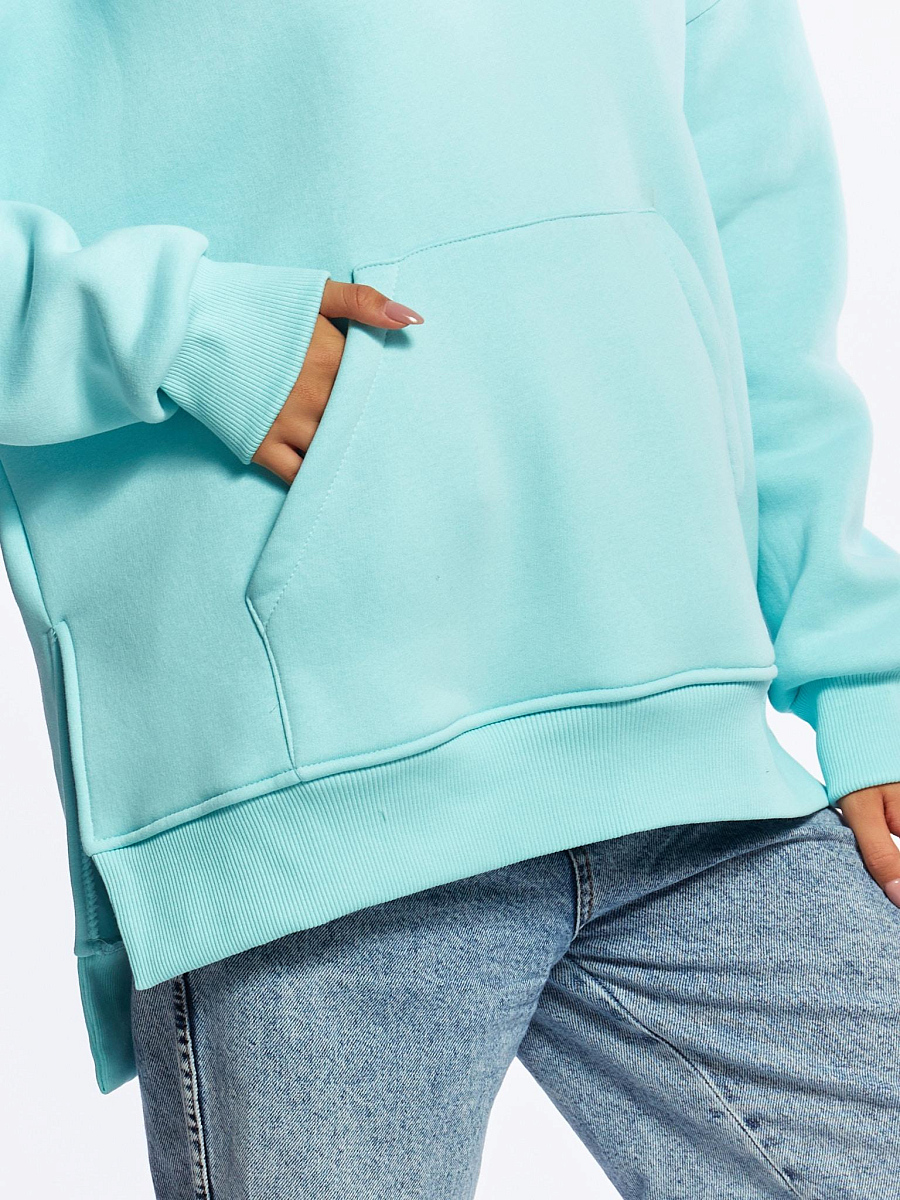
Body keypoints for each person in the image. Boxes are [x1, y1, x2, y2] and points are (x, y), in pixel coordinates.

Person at [1, 0, 899, 1195]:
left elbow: (754, 218)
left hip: (703, 759)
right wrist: (178, 331)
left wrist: (859, 663)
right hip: (309, 810)